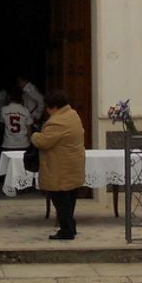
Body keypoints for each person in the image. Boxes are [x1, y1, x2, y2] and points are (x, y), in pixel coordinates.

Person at [31, 89, 85, 241]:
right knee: (70, 198)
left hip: (59, 168)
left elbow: (43, 141)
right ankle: (70, 226)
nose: (47, 111)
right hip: (72, 165)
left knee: (60, 200)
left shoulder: (57, 122)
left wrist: (34, 135)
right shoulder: (73, 115)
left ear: (54, 107)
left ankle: (66, 230)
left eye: (48, 108)